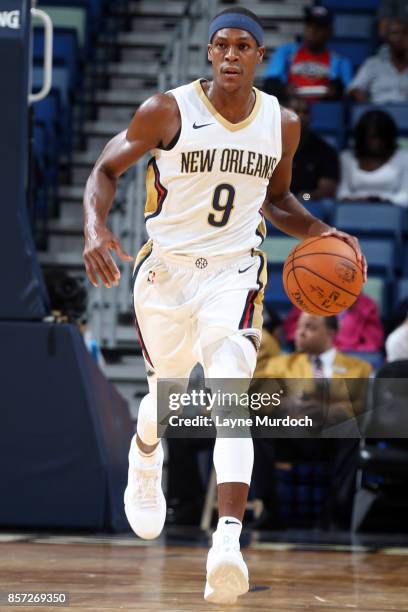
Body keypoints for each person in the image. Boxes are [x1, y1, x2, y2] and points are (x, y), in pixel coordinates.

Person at [82, 7, 366, 605]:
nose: (231, 54)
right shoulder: (166, 110)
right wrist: (93, 228)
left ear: (260, 57)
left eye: (243, 46)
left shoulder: (281, 123)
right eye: (221, 45)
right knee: (167, 393)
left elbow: (278, 197)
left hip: (235, 272)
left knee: (230, 393)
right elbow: (106, 169)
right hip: (165, 272)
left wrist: (320, 232)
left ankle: (227, 543)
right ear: (209, 55)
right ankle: (145, 455)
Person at [253, 313, 372, 529]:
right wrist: (286, 403)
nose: (300, 332)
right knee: (257, 427)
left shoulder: (358, 368)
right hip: (290, 435)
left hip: (331, 439)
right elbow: (262, 399)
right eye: (299, 326)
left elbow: (362, 408)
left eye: (310, 327)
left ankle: (337, 516)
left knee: (351, 429)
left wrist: (327, 409)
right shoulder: (279, 365)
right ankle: (270, 510)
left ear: (331, 333)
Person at [263, 6, 353, 102]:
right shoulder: (285, 53)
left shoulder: (340, 61)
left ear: (329, 32)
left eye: (319, 27)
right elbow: (269, 85)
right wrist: (285, 90)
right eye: (309, 25)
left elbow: (349, 94)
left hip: (324, 111)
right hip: (292, 108)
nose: (313, 31)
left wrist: (335, 93)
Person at [337, 109, 408, 206]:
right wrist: (359, 201)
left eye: (381, 137)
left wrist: (381, 201)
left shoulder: (404, 157)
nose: (377, 142)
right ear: (362, 137)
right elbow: (342, 193)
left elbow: (405, 196)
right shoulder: (346, 157)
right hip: (354, 209)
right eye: (372, 137)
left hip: (392, 212)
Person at [284, 293, 384, 353]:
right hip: (311, 353)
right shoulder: (307, 298)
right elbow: (292, 333)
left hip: (349, 358)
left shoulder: (367, 305)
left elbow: (372, 344)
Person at [287, 96, 339, 202]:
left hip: (308, 204)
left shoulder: (324, 150)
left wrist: (307, 196)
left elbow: (327, 189)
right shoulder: (270, 147)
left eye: (305, 112)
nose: (301, 116)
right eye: (296, 111)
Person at [348, 18, 408, 104]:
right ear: (386, 39)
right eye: (394, 33)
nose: (400, 37)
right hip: (379, 112)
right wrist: (367, 106)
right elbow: (355, 88)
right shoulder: (373, 64)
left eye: (404, 33)